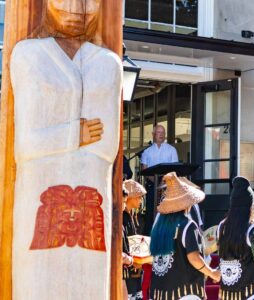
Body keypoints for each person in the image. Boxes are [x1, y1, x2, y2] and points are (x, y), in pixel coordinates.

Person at [9, 0, 122, 297]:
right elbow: (26, 144)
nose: (76, 9)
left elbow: (106, 144)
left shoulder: (108, 62)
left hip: (91, 192)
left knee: (89, 280)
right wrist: (76, 133)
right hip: (40, 193)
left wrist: (60, 136)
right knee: (38, 279)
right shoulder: (29, 54)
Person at [149, 172, 220, 299]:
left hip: (159, 291)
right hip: (184, 291)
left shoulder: (158, 227)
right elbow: (194, 258)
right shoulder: (188, 225)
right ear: (185, 203)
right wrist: (212, 273)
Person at [217, 177, 254, 300]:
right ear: (250, 204)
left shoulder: (221, 226)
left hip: (226, 293)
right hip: (249, 292)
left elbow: (221, 253)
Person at [141, 124, 179, 235]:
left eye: (163, 132)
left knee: (168, 213)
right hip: (152, 186)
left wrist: (164, 182)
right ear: (153, 134)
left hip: (168, 187)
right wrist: (156, 182)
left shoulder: (171, 150)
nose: (161, 135)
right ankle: (149, 237)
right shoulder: (147, 152)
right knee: (151, 214)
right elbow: (145, 170)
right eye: (158, 132)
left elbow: (175, 169)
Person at [122, 180, 146, 300]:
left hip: (133, 265)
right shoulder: (123, 217)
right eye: (138, 197)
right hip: (127, 266)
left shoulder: (131, 216)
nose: (140, 200)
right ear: (130, 198)